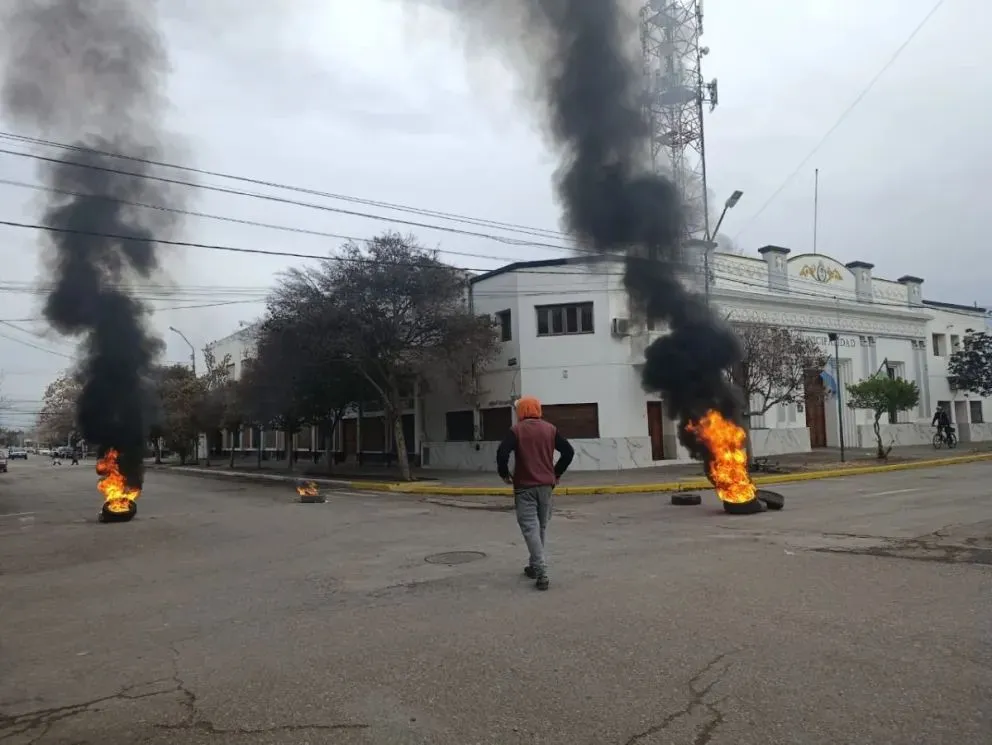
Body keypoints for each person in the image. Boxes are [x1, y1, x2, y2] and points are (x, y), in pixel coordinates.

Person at [496, 396, 574, 591]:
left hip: (524, 486)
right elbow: (569, 452)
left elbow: (502, 453)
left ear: (521, 412)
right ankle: (533, 565)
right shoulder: (550, 429)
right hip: (546, 486)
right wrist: (556, 473)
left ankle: (541, 571)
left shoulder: (517, 430)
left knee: (530, 528)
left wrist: (505, 474)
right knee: (540, 527)